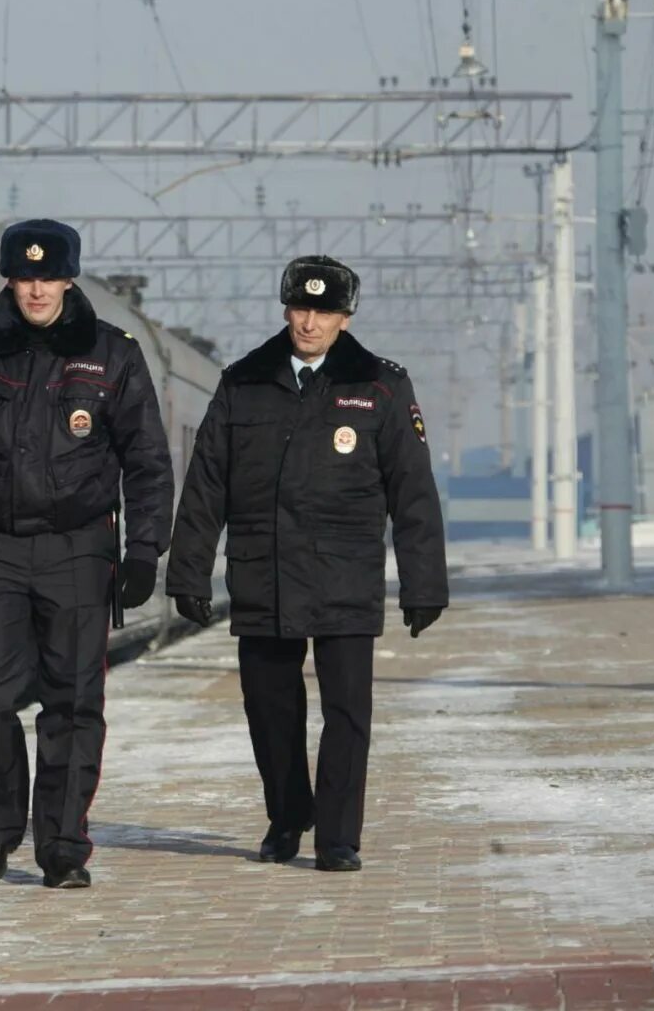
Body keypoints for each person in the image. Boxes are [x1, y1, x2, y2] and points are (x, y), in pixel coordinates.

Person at [0, 218, 174, 891]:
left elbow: (147, 461)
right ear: (8, 278)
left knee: (74, 702)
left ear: (68, 278)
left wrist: (144, 551)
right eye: (24, 277)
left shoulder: (110, 355)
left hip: (79, 550)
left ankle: (62, 846)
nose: (36, 289)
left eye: (48, 276)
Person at [165, 254, 447, 873]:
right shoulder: (243, 382)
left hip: (345, 575)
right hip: (262, 573)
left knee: (347, 713)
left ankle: (339, 837)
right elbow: (206, 482)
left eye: (323, 312)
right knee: (270, 710)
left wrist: (424, 584)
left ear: (345, 318)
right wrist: (187, 571)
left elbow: (413, 491)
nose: (309, 323)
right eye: (300, 308)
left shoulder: (380, 386)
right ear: (286, 308)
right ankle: (289, 814)